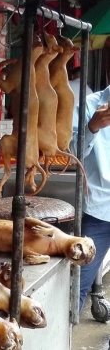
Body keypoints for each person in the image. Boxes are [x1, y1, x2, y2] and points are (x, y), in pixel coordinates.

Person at [70, 86, 110, 313]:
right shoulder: (89, 105)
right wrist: (92, 127)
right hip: (99, 209)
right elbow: (73, 153)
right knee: (78, 284)